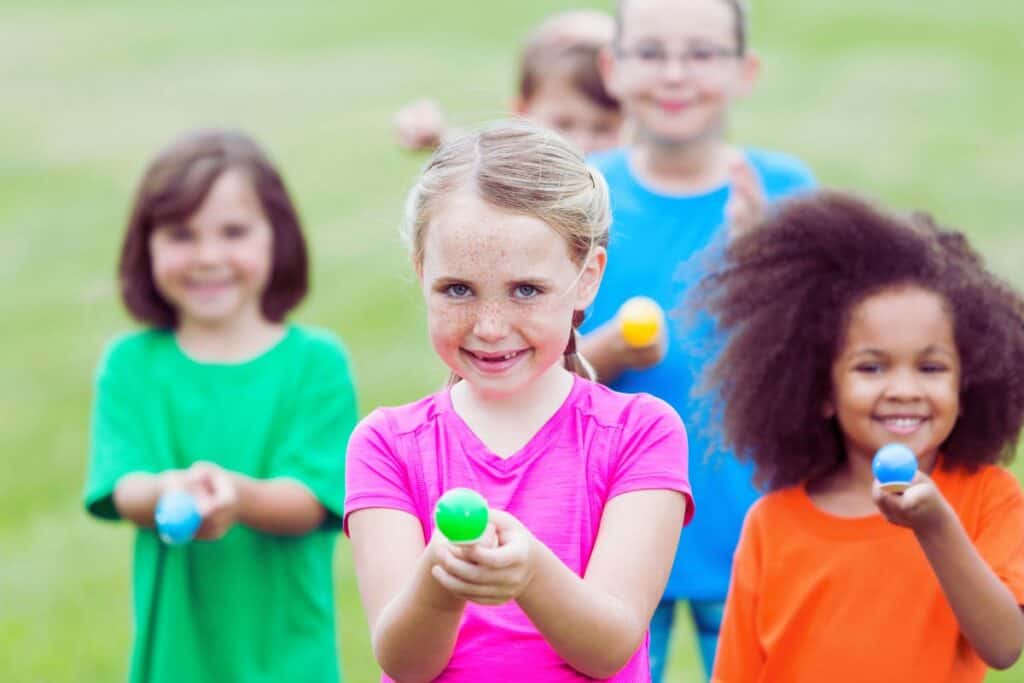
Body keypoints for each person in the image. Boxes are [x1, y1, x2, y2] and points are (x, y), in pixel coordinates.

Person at [345, 121, 693, 682]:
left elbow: (608, 647)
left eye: (525, 290)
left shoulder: (640, 432)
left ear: (586, 279)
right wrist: (440, 574)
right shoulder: (386, 444)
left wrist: (530, 573)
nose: (489, 327)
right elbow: (405, 664)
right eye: (457, 289)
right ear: (421, 272)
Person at [579, 0, 815, 678]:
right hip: (608, 540)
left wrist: (760, 264)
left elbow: (824, 370)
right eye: (651, 52)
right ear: (612, 68)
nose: (676, 74)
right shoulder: (579, 198)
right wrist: (609, 351)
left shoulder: (787, 195)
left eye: (703, 53)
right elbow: (533, 367)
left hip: (753, 532)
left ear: (746, 71)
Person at [700, 191, 1024, 682]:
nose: (903, 390)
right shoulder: (772, 523)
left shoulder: (989, 497)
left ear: (966, 381)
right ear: (822, 388)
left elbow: (1004, 645)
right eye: (871, 367)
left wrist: (935, 525)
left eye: (931, 367)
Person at [83, 129, 358, 683]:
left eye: (233, 232)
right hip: (177, 660)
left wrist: (236, 496)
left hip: (287, 657)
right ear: (147, 246)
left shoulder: (315, 364)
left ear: (277, 238)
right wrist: (167, 492)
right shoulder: (132, 365)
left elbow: (311, 499)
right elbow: (121, 484)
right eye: (181, 234)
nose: (208, 257)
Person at [394, 9, 623, 156]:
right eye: (563, 125)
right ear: (521, 112)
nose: (581, 146)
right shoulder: (525, 165)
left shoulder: (632, 171)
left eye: (603, 128)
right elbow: (478, 155)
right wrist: (437, 137)